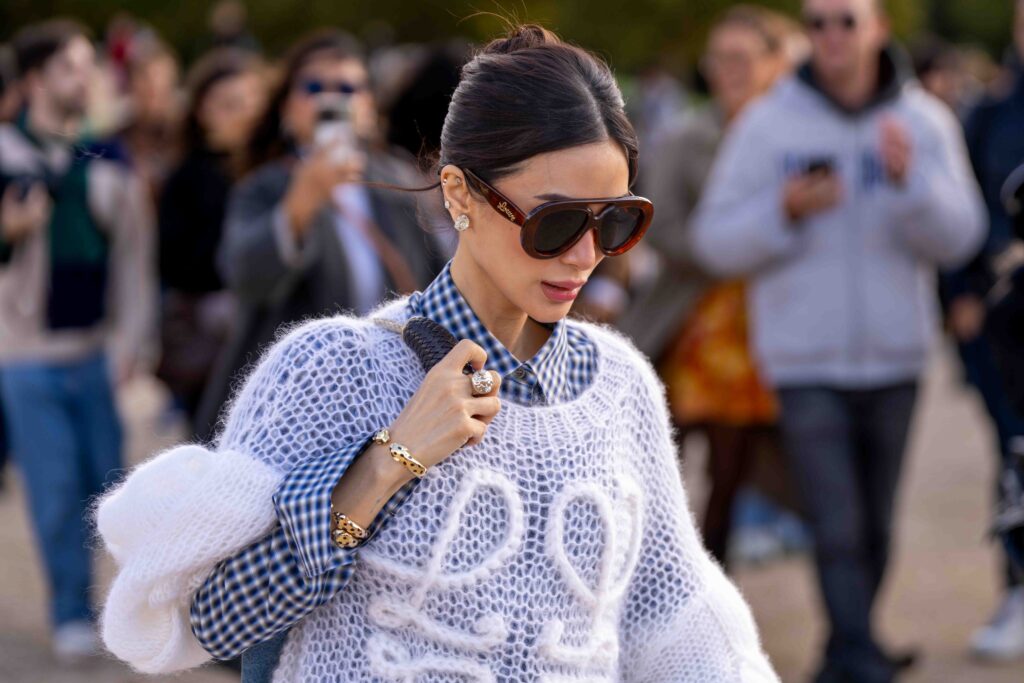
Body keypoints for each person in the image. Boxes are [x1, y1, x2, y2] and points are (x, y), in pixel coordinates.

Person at [96, 24, 780, 683]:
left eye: (616, 220)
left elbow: (670, 607)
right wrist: (388, 461)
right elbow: (214, 620)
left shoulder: (619, 384)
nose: (585, 255)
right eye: (557, 221)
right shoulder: (332, 367)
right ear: (460, 193)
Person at [691, 0, 986, 680]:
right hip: (804, 359)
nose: (830, 36)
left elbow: (961, 236)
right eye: (817, 22)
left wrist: (913, 185)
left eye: (845, 21)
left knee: (877, 524)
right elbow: (714, 239)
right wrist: (782, 211)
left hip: (896, 355)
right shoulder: (769, 124)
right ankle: (858, 655)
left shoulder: (922, 120)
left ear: (879, 27)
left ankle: (847, 649)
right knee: (835, 520)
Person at [194, 30, 446, 441]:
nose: (333, 100)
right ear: (287, 108)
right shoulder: (265, 187)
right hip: (293, 407)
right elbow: (245, 278)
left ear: (368, 106)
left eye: (349, 87)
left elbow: (440, 280)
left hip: (391, 401)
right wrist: (301, 202)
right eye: (315, 87)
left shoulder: (395, 180)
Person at [619, 5, 799, 568]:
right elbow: (663, 226)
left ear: (775, 63)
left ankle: (709, 593)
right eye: (719, 59)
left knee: (732, 478)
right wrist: (731, 247)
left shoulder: (793, 136)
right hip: (689, 320)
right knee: (654, 469)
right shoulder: (685, 137)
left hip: (765, 327)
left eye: (742, 57)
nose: (729, 70)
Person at [0, 19, 154, 662]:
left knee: (108, 487)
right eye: (69, 66)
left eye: (88, 65)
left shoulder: (108, 159)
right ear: (36, 79)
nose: (84, 77)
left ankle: (117, 608)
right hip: (25, 357)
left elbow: (134, 258)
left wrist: (131, 342)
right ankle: (68, 610)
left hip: (94, 352)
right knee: (55, 490)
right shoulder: (5, 155)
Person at [156, 48, 265, 431]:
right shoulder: (187, 178)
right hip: (212, 344)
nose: (245, 113)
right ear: (202, 112)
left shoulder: (280, 170)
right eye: (229, 104)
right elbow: (174, 262)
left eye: (253, 101)